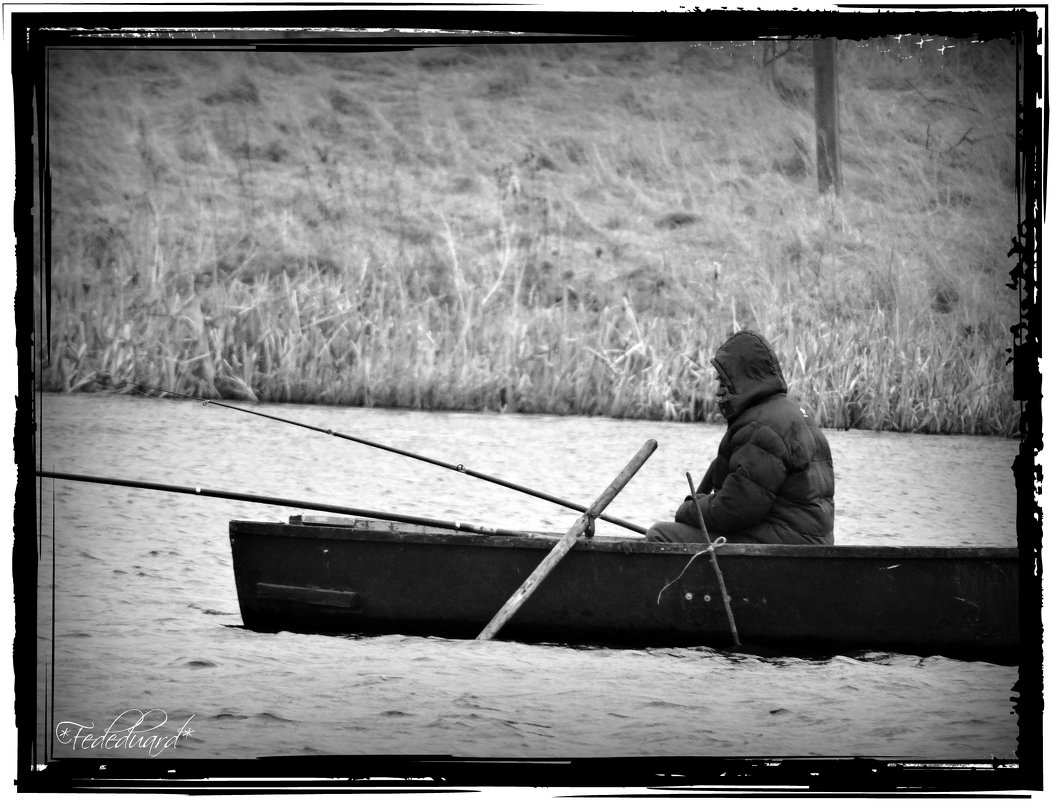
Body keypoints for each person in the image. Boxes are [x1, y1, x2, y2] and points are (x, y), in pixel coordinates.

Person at [646, 329, 834, 545]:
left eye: (724, 383)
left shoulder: (761, 427)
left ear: (743, 380)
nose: (718, 392)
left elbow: (738, 508)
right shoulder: (794, 413)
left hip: (786, 546)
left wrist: (690, 509)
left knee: (659, 535)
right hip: (809, 541)